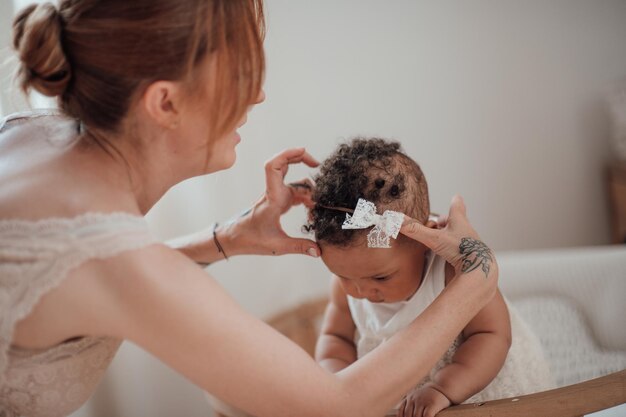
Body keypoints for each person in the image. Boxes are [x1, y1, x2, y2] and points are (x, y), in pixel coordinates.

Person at [0, 1, 498, 417]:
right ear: (165, 103)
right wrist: (477, 275)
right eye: (241, 73)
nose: (258, 93)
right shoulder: (114, 263)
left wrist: (228, 239)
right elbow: (335, 407)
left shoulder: (27, 133)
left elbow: (87, 279)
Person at [310, 138, 554, 417]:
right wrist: (336, 377)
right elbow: (335, 337)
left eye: (381, 278)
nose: (360, 290)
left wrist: (444, 388)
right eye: (342, 275)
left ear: (425, 241)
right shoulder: (351, 281)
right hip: (390, 394)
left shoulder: (452, 272)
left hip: (472, 384)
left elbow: (492, 335)